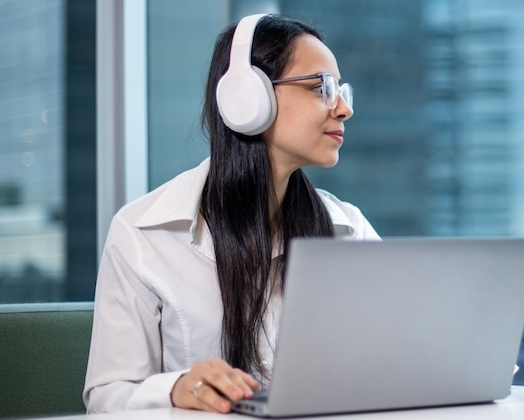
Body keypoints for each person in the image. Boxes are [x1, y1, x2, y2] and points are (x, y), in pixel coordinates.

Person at [83, 14, 380, 414]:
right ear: (247, 98)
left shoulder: (349, 229)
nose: (344, 109)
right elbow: (106, 398)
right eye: (321, 88)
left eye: (341, 90)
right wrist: (175, 389)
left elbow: (394, 357)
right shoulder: (142, 233)